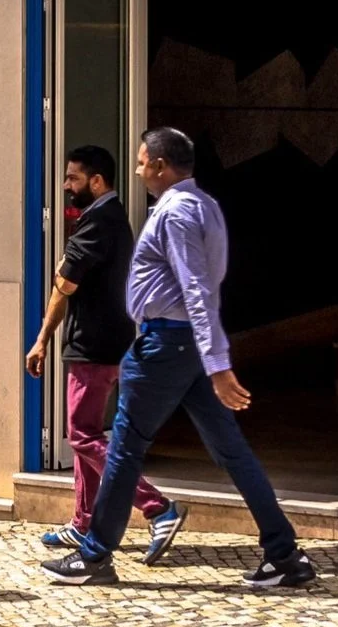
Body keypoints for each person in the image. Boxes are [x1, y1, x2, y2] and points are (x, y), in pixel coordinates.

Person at [45, 129, 314, 588]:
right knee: (232, 451)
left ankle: (93, 557)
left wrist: (218, 364)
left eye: (141, 161)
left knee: (125, 448)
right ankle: (285, 557)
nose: (136, 169)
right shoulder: (204, 205)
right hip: (180, 346)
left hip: (166, 345)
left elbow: (197, 288)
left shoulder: (176, 213)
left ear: (160, 165)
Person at [28, 146, 184, 559]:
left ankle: (157, 507)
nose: (66, 186)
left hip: (93, 347)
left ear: (97, 182)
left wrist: (42, 337)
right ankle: (83, 523)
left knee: (81, 435)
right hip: (108, 342)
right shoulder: (110, 221)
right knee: (87, 437)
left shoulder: (98, 223)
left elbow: (65, 285)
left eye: (73, 178)